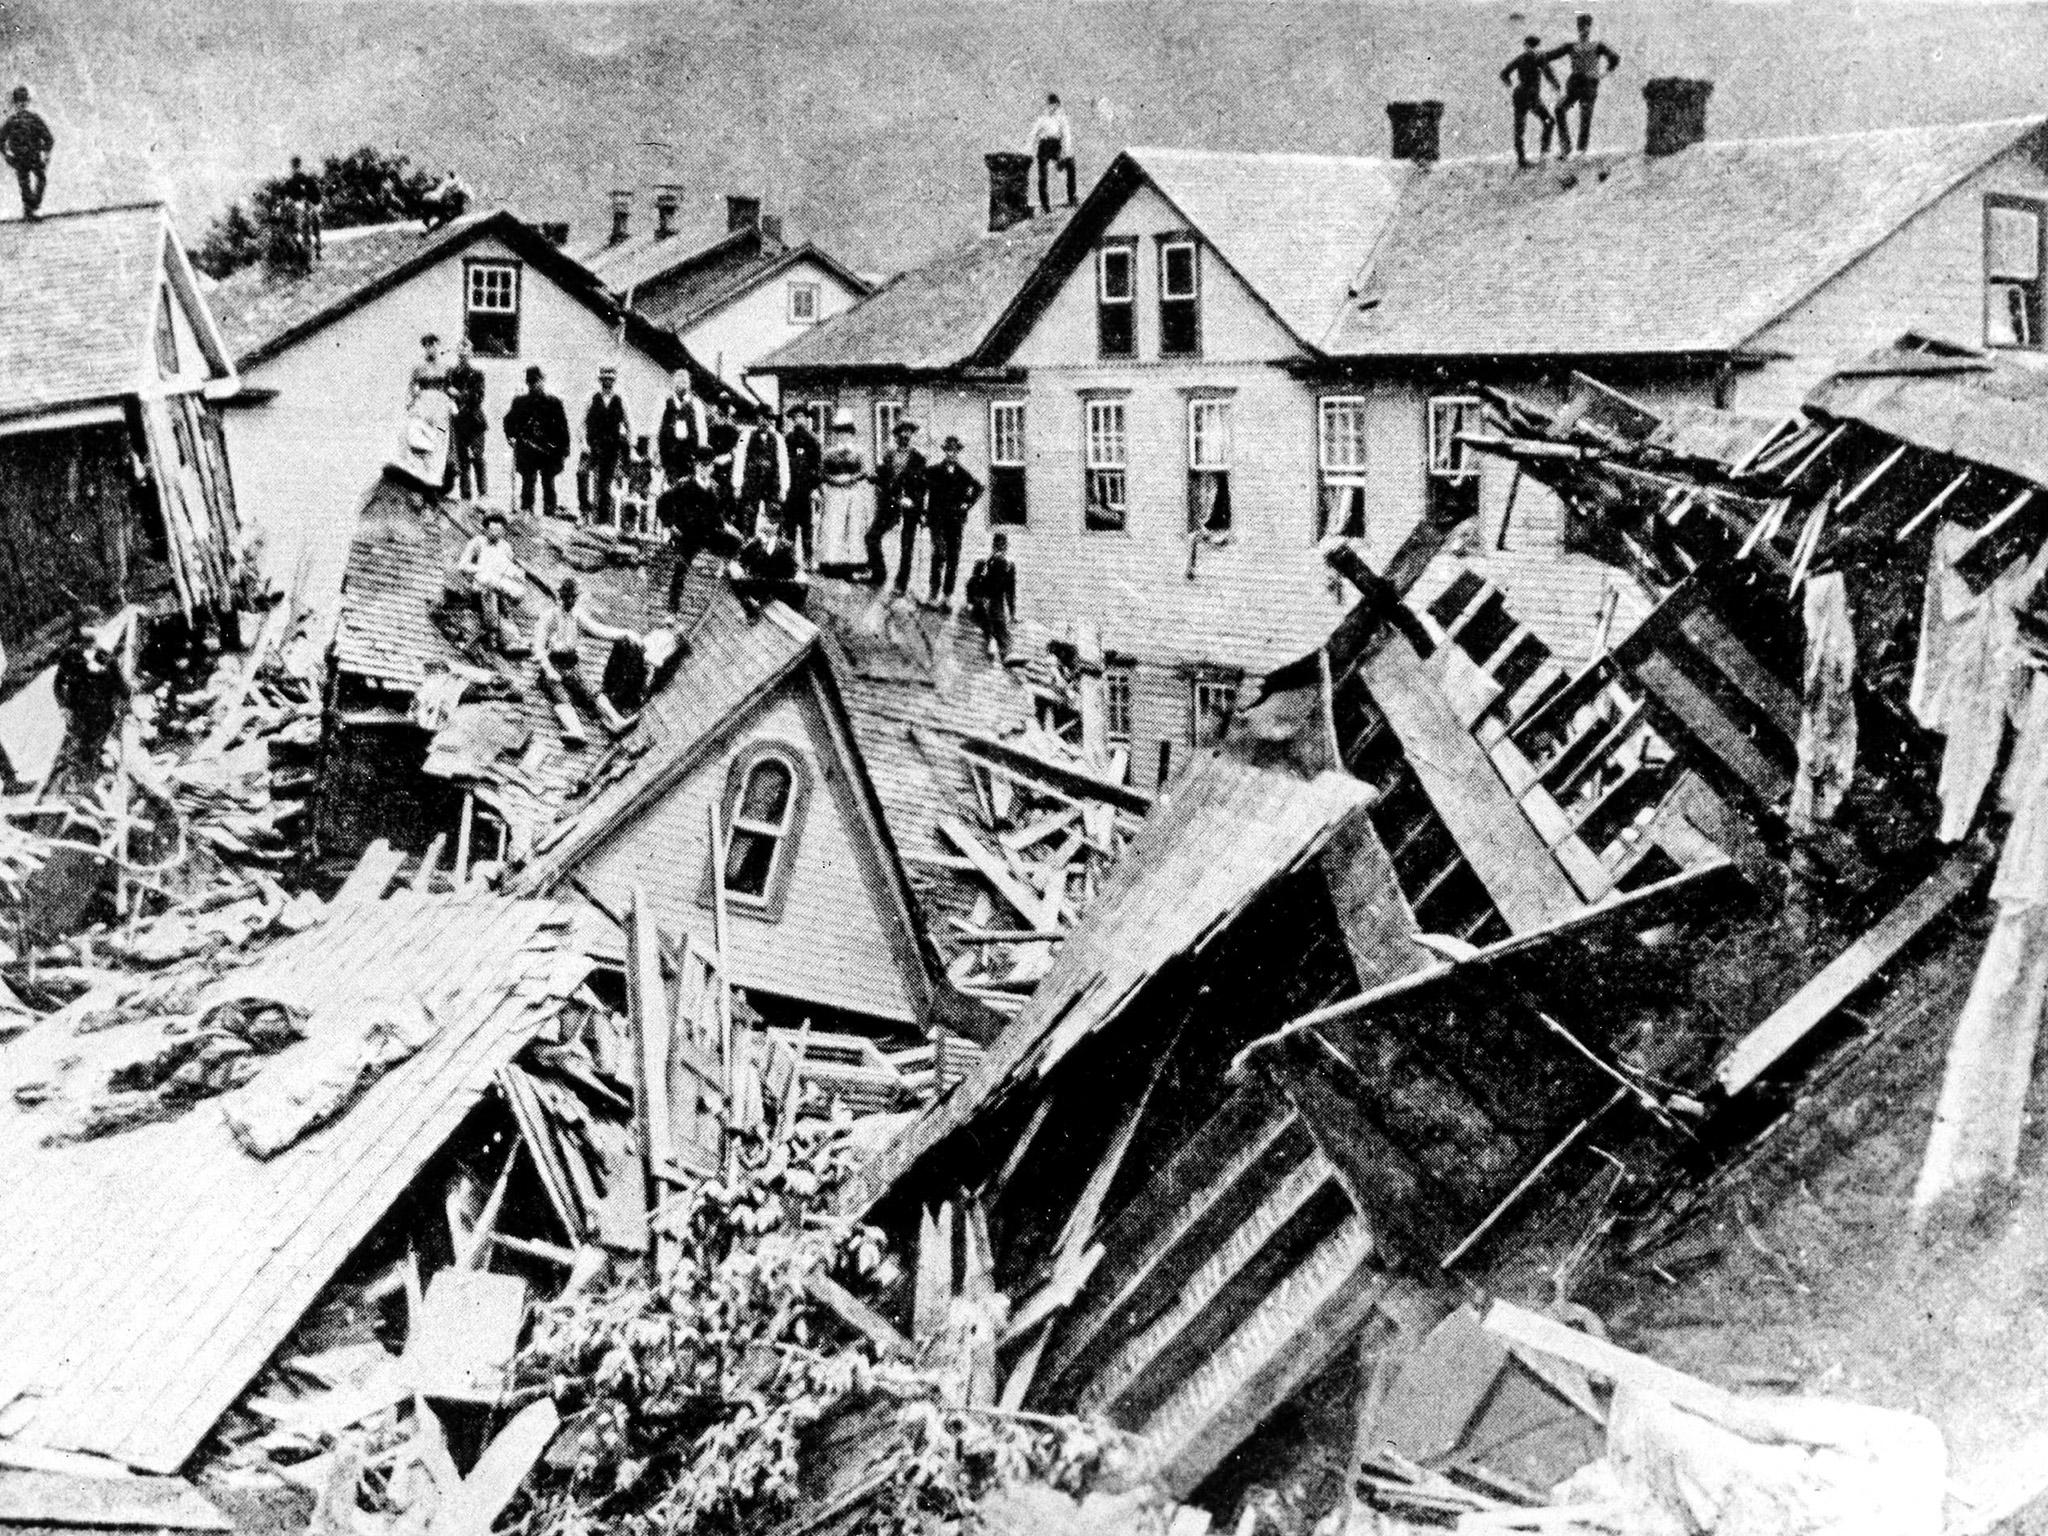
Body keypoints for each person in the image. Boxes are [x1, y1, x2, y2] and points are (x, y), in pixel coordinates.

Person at [533, 576, 639, 737]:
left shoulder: (577, 615)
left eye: (573, 597)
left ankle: (616, 720)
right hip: (553, 663)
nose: (570, 601)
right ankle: (575, 730)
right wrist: (548, 669)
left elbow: (598, 630)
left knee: (592, 690)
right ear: (561, 596)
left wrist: (625, 633)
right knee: (561, 695)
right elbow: (538, 648)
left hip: (571, 663)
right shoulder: (549, 617)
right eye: (567, 597)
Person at [51, 612, 129, 787]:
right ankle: (78, 784)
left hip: (103, 715)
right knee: (79, 753)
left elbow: (123, 689)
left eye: (93, 628)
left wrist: (121, 706)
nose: (88, 637)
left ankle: (100, 783)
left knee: (103, 753)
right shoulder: (70, 657)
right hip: (79, 714)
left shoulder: (107, 658)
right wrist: (63, 707)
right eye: (84, 631)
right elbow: (57, 684)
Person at [658, 447, 739, 608]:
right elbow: (662, 503)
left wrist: (725, 526)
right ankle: (672, 609)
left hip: (708, 533)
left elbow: (716, 514)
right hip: (687, 534)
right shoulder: (684, 485)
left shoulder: (714, 488)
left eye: (707, 466)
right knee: (680, 567)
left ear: (712, 468)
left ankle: (724, 573)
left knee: (735, 541)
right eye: (701, 465)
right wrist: (670, 525)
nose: (704, 469)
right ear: (695, 466)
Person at [1545, 13, 1621, 157]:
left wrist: (1603, 74)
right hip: (1574, 85)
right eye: (1581, 27)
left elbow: (1615, 58)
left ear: (1590, 28)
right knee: (1559, 109)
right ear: (1578, 28)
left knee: (1585, 115)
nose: (1583, 30)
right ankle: (1566, 147)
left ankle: (1581, 150)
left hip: (1589, 86)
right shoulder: (1571, 46)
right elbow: (1549, 56)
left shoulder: (1598, 46)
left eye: (1586, 27)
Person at [923, 435, 984, 611]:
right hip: (937, 521)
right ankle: (933, 593)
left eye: (954, 451)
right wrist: (922, 512)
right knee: (939, 554)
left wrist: (967, 504)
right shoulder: (933, 470)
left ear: (958, 452)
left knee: (953, 558)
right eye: (948, 450)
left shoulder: (963, 474)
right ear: (945, 451)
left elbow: (979, 488)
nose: (951, 454)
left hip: (955, 522)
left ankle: (947, 596)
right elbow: (918, 483)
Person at [504, 365, 571, 516]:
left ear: (543, 381)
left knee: (548, 482)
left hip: (548, 450)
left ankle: (550, 511)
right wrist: (511, 437)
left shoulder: (554, 403)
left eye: (537, 381)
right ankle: (526, 511)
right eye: (531, 382)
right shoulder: (520, 402)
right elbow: (508, 421)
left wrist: (564, 448)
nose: (535, 385)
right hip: (528, 449)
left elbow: (563, 427)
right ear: (527, 383)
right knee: (528, 481)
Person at [455, 510, 526, 650]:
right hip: (479, 586)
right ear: (486, 529)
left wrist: (516, 575)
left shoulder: (505, 546)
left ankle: (510, 636)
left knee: (509, 593)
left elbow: (509, 568)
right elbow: (462, 566)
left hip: (498, 585)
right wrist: (481, 568)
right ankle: (491, 634)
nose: (495, 533)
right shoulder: (477, 543)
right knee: (489, 590)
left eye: (499, 530)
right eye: (492, 529)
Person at [872, 418, 928, 593]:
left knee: (907, 545)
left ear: (911, 435)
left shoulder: (919, 458)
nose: (905, 435)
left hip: (909, 505)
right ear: (896, 436)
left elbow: (922, 486)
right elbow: (881, 478)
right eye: (901, 432)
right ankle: (879, 573)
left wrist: (916, 504)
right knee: (872, 537)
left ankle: (901, 584)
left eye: (908, 432)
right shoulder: (888, 455)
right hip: (890, 503)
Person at [815, 408, 873, 575]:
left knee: (854, 525)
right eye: (840, 432)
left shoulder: (859, 452)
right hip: (834, 492)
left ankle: (854, 561)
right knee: (834, 524)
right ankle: (832, 561)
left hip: (854, 491)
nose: (843, 435)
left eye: (847, 432)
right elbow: (823, 473)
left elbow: (864, 471)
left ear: (852, 434)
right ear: (836, 434)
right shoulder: (829, 453)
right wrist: (835, 480)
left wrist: (850, 479)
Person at [727, 511, 807, 613]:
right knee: (736, 578)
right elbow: (740, 560)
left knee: (800, 584)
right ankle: (750, 605)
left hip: (779, 585)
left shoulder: (786, 546)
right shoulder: (755, 544)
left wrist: (799, 575)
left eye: (770, 523)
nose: (766, 525)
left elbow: (793, 568)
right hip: (757, 584)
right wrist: (736, 567)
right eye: (765, 521)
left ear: (777, 526)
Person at [1499, 37, 1561, 169]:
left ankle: (1521, 160)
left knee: (1519, 128)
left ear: (1525, 46)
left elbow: (1504, 73)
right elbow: (1548, 73)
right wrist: (1556, 85)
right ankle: (1544, 153)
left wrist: (1509, 83)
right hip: (1532, 97)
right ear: (1534, 47)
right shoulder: (1539, 57)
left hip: (1520, 94)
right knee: (1549, 121)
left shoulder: (1520, 58)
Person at [583, 365, 631, 524]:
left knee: (605, 485)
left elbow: (629, 425)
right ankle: (584, 511)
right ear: (600, 380)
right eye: (605, 379)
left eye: (610, 379)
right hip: (593, 446)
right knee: (582, 473)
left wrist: (628, 448)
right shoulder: (592, 398)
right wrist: (584, 443)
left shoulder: (620, 400)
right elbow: (581, 424)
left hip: (610, 448)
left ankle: (602, 521)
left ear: (614, 381)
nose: (607, 382)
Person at [1, 85, 54, 220]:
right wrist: (46, 154)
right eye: (21, 102)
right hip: (31, 156)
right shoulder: (33, 119)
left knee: (25, 182)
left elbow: (1, 140)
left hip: (21, 157)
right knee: (38, 179)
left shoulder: (12, 121)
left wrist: (7, 155)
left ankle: (30, 208)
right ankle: (33, 207)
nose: (22, 105)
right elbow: (48, 138)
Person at [444, 338, 488, 500]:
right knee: (462, 461)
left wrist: (459, 394)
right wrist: (451, 398)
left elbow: (478, 396)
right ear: (457, 354)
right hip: (458, 422)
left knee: (477, 457)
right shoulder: (451, 373)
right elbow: (445, 391)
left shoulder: (477, 374)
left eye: (466, 353)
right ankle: (466, 496)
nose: (463, 356)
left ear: (470, 353)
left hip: (475, 422)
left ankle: (483, 494)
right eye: (460, 354)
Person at [966, 532, 1019, 662]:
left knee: (997, 613)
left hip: (995, 603)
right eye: (998, 546)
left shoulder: (1008, 566)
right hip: (981, 601)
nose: (1000, 549)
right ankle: (994, 643)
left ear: (1006, 548)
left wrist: (1012, 614)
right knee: (991, 612)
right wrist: (971, 601)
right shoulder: (983, 563)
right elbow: (971, 584)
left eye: (1003, 546)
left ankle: (1002, 649)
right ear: (993, 547)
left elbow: (1010, 592)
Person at [782, 408, 822, 570]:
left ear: (806, 419)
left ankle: (808, 559)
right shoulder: (787, 439)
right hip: (790, 489)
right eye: (795, 417)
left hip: (806, 490)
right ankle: (790, 560)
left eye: (801, 417)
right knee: (789, 526)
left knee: (807, 527)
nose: (799, 420)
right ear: (792, 420)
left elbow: (818, 466)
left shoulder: (813, 440)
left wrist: (815, 488)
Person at [735, 412, 790, 531]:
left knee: (774, 519)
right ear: (757, 418)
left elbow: (783, 463)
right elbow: (739, 460)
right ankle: (749, 545)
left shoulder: (778, 438)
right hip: (751, 484)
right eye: (761, 418)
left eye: (767, 419)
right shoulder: (745, 436)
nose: (764, 421)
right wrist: (737, 485)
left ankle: (773, 547)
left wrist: (784, 488)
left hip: (771, 485)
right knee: (748, 518)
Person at [656, 370, 707, 485]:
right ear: (673, 383)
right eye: (678, 380)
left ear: (689, 384)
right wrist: (656, 454)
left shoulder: (696, 404)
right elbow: (657, 428)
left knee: (688, 486)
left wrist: (701, 457)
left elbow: (702, 431)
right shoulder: (665, 402)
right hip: (669, 453)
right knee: (670, 486)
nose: (681, 383)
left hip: (689, 453)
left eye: (685, 381)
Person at [1029, 93, 1077, 212]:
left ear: (1058, 106)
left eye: (1055, 106)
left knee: (1071, 164)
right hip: (1044, 146)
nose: (1052, 109)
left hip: (1056, 147)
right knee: (1043, 176)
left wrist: (1067, 152)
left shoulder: (1061, 118)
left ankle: (1071, 197)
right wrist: (1028, 149)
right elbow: (1033, 134)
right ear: (1047, 105)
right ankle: (1045, 205)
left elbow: (1066, 135)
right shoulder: (1042, 119)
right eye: (1050, 106)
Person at [280, 155, 323, 258]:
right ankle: (307, 246)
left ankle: (317, 245)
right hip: (296, 204)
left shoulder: (304, 179)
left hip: (305, 204)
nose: (295, 168)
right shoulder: (291, 181)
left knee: (315, 220)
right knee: (290, 218)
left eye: (296, 166)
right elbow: (285, 194)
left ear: (298, 166)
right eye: (294, 166)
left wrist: (312, 202)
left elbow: (316, 194)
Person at [707, 398, 742, 506]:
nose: (722, 418)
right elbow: (706, 447)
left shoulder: (734, 430)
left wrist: (730, 456)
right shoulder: (711, 430)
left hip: (729, 468)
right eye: (720, 415)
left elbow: (739, 448)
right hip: (713, 468)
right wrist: (713, 459)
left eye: (724, 415)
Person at [408, 333, 447, 405]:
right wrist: (413, 401)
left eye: (434, 346)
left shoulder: (444, 368)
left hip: (441, 401)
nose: (431, 349)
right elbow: (412, 387)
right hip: (424, 401)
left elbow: (448, 387)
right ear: (425, 348)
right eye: (428, 346)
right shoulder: (418, 368)